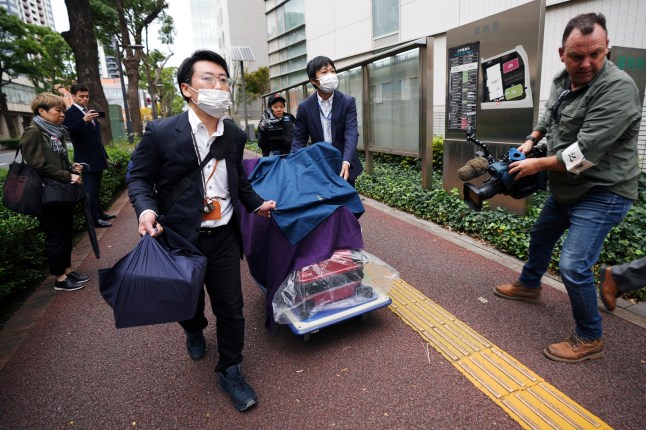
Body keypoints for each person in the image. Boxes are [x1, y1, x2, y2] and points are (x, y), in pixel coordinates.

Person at [127, 50, 276, 412]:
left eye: (224, 79)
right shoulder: (162, 132)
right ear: (187, 89)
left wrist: (256, 203)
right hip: (178, 238)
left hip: (223, 237)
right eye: (208, 78)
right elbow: (139, 177)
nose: (220, 85)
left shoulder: (235, 134)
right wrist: (146, 209)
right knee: (187, 303)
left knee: (232, 308)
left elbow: (237, 180)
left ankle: (230, 369)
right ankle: (193, 328)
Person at [493, 13, 641, 363]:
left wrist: (535, 164)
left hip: (604, 190)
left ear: (608, 50)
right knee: (542, 235)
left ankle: (590, 337)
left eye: (596, 54)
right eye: (577, 56)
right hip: (567, 186)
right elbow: (550, 115)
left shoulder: (618, 89)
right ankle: (529, 286)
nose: (586, 63)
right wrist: (531, 141)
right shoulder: (563, 78)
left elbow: (584, 152)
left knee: (574, 265)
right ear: (562, 53)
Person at [20, 93, 90, 291]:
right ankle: (60, 278)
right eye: (58, 111)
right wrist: (67, 176)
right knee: (56, 235)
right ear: (42, 111)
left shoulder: (55, 132)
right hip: (46, 193)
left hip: (60, 192)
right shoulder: (33, 132)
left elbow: (55, 161)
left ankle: (66, 270)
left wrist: (71, 167)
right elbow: (38, 165)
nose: (62, 115)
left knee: (66, 232)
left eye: (63, 111)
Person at [291, 55, 363, 186]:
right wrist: (294, 164)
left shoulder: (347, 102)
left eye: (333, 71)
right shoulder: (305, 107)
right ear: (314, 80)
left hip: (344, 165)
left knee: (347, 204)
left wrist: (346, 161)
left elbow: (351, 133)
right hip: (319, 167)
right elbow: (299, 139)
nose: (331, 75)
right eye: (324, 72)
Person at [64, 83, 115, 228]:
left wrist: (104, 155)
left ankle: (100, 213)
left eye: (87, 96)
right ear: (73, 96)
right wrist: (83, 121)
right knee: (90, 191)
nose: (85, 99)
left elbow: (95, 137)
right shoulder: (70, 113)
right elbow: (68, 132)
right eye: (81, 96)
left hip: (96, 157)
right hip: (84, 159)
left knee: (96, 189)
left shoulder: (89, 111)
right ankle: (95, 220)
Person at [257, 92, 295, 157]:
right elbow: (261, 145)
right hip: (269, 157)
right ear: (269, 108)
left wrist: (279, 136)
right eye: (275, 107)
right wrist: (264, 132)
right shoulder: (265, 120)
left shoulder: (287, 120)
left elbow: (291, 144)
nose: (279, 109)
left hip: (285, 158)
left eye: (281, 107)